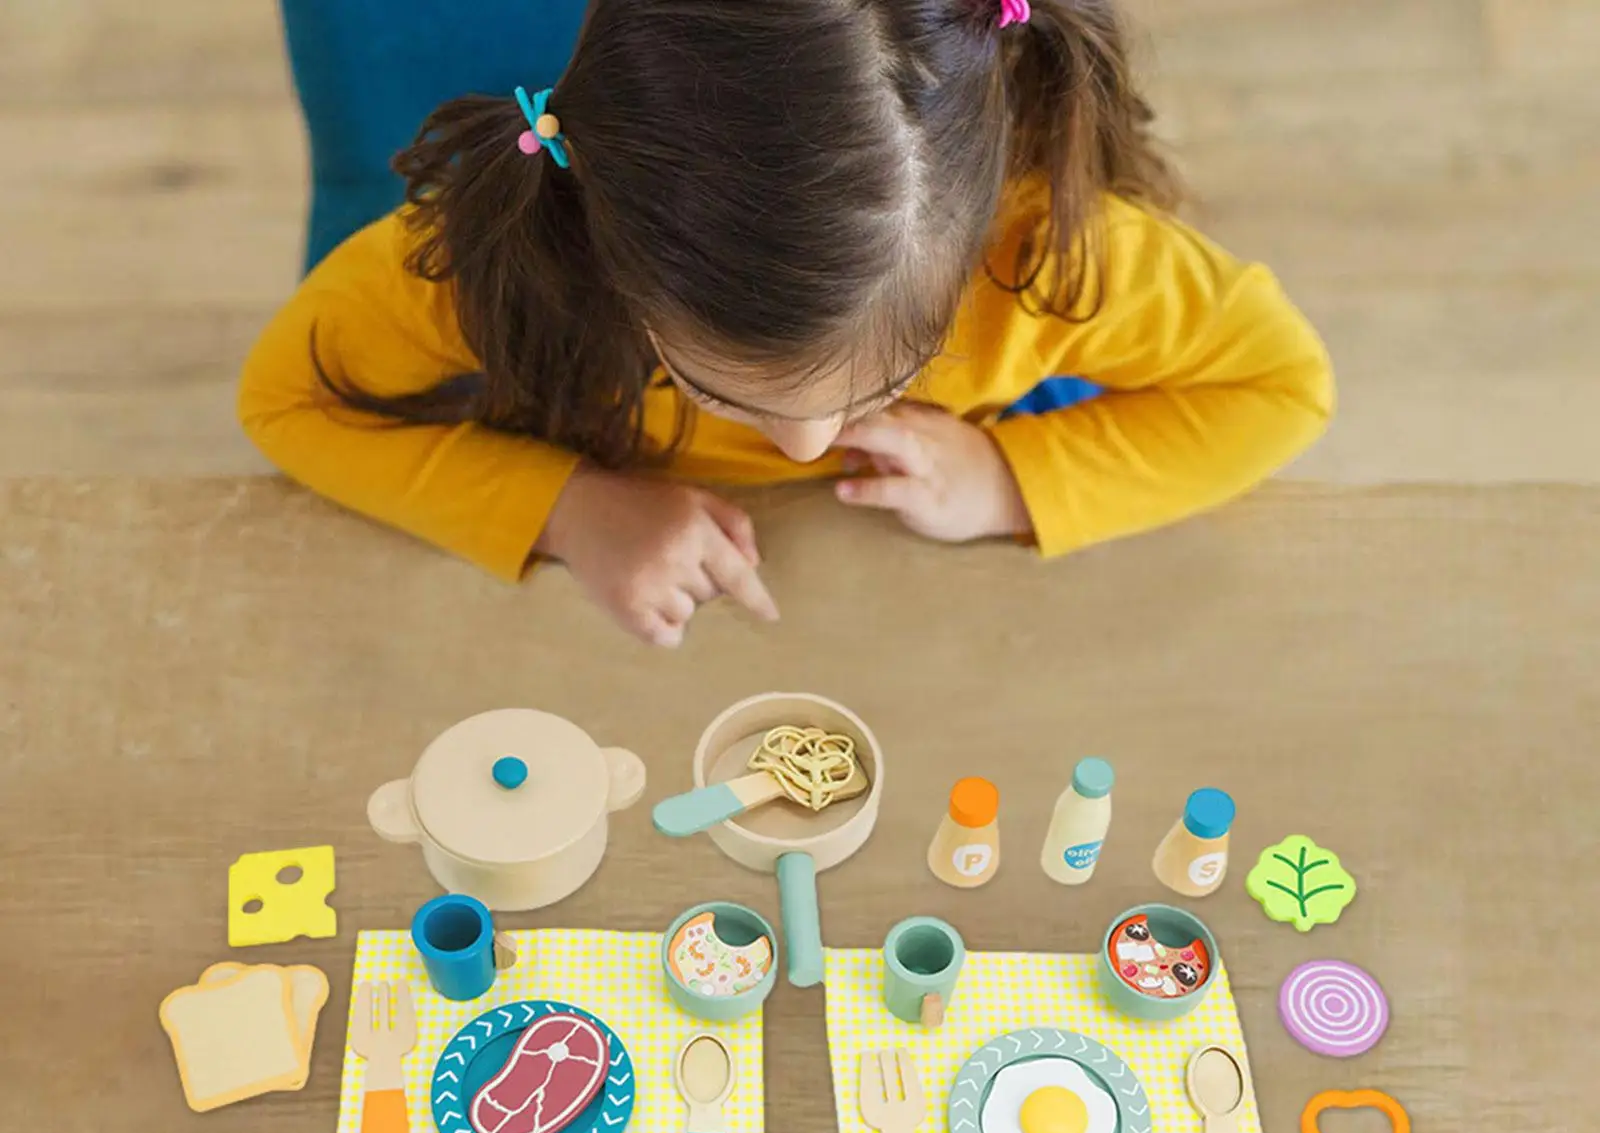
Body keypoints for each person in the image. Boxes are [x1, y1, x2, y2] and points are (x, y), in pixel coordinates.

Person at [239, 0, 1333, 648]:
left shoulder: (1053, 249)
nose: (808, 448)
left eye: (898, 372)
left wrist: (1009, 477)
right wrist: (570, 509)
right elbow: (283, 401)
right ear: (613, 261)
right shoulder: (491, 260)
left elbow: (1281, 387)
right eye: (720, 389)